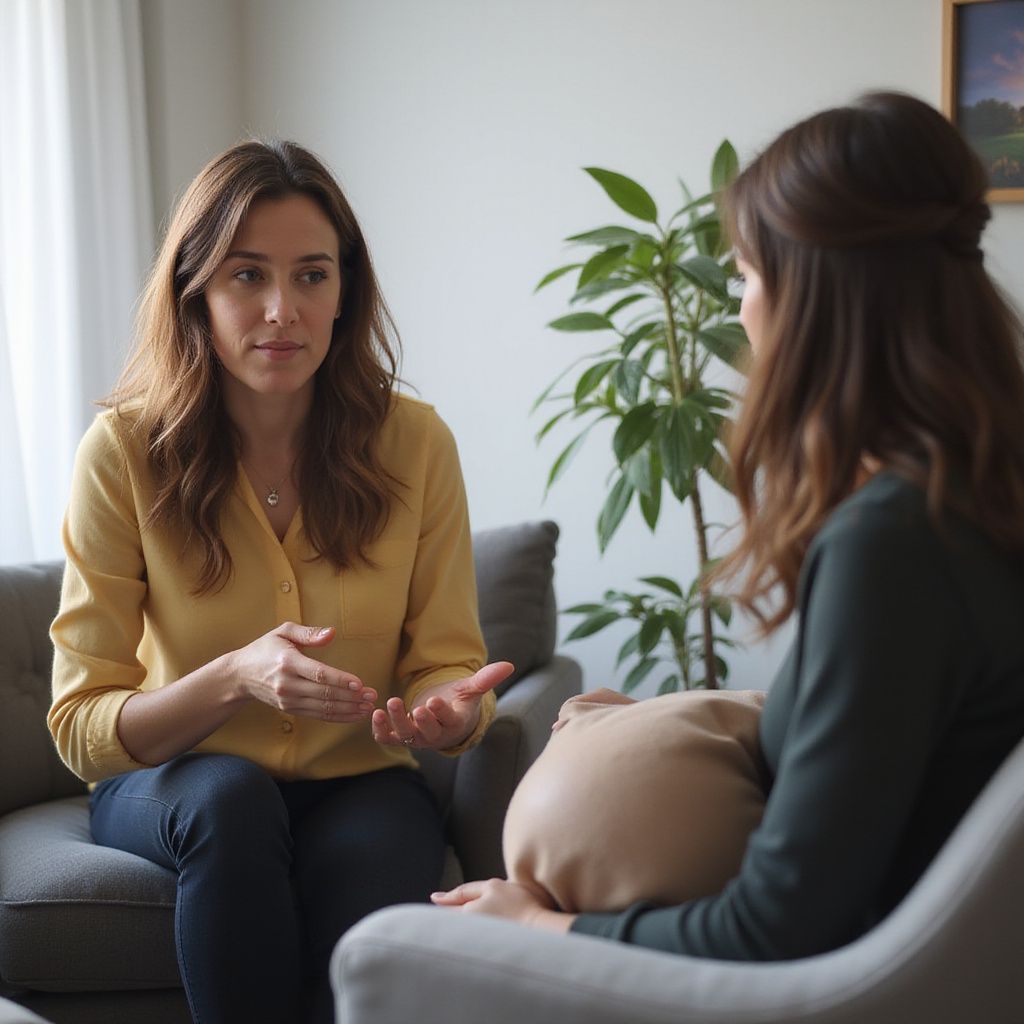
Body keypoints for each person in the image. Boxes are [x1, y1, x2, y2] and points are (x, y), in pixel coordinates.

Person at [432, 91, 1024, 959]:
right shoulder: (976, 493)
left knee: (396, 949)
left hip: (850, 984)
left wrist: (539, 927)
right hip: (942, 964)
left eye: (746, 276)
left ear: (819, 295)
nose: (740, 309)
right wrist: (662, 729)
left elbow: (778, 923)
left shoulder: (895, 542)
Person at [47, 138, 512, 1023]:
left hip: (362, 779)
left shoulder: (416, 445)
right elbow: (80, 726)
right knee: (230, 797)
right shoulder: (122, 455)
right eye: (246, 276)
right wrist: (233, 677)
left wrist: (451, 712)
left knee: (367, 906)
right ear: (196, 292)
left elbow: (448, 663)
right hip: (178, 779)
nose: (281, 311)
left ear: (345, 290)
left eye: (311, 276)